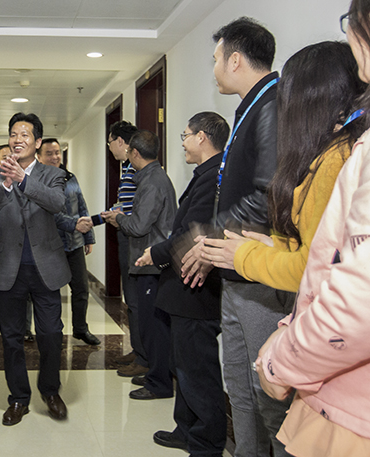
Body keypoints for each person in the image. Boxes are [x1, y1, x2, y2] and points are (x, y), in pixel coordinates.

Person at [253, 6, 370, 455]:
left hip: (346, 405)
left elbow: (350, 296)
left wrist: (281, 360)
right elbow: (326, 261)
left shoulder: (339, 159)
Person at [180, 17, 293, 457]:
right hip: (235, 266)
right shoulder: (251, 107)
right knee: (242, 389)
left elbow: (268, 195)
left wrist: (210, 240)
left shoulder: (273, 105)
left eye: (215, 59)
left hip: (260, 273)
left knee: (270, 393)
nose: (213, 69)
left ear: (235, 60)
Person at [201, 41, 365, 291]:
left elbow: (312, 268)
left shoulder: (335, 160)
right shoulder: (341, 150)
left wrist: (243, 256)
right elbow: (320, 246)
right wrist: (276, 246)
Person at [138, 113, 229, 455]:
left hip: (196, 290)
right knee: (184, 365)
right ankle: (187, 429)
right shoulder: (206, 173)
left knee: (197, 371)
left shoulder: (214, 176)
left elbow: (195, 234)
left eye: (185, 136)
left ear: (202, 137)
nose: (183, 143)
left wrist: (155, 252)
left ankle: (206, 443)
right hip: (185, 289)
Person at [0, 113, 71, 426]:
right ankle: (18, 398)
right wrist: (5, 184)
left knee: (51, 333)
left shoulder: (52, 173)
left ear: (38, 142)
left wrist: (24, 179)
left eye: (25, 134)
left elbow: (57, 203)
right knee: (11, 337)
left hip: (46, 268)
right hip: (7, 269)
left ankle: (50, 391)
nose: (18, 140)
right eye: (13, 134)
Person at [102, 129, 176, 400]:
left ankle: (158, 382)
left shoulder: (152, 182)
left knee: (153, 325)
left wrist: (119, 219)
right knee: (149, 322)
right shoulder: (151, 177)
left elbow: (139, 225)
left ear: (134, 153)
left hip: (151, 263)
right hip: (149, 259)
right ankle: (155, 372)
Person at [37, 138, 99, 345]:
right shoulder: (36, 182)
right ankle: (54, 332)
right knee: (51, 292)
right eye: (49, 153)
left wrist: (88, 237)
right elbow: (48, 213)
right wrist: (74, 225)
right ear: (39, 157)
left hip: (75, 242)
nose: (55, 157)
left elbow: (81, 206)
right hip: (50, 245)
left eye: (57, 152)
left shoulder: (70, 178)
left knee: (81, 289)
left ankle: (80, 329)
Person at [106, 120, 149, 377]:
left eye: (110, 142)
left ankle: (144, 357)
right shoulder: (128, 168)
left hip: (135, 239)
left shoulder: (138, 168)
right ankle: (138, 349)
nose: (110, 147)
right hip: (126, 235)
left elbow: (140, 209)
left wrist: (119, 216)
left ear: (120, 141)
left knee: (135, 300)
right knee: (131, 299)